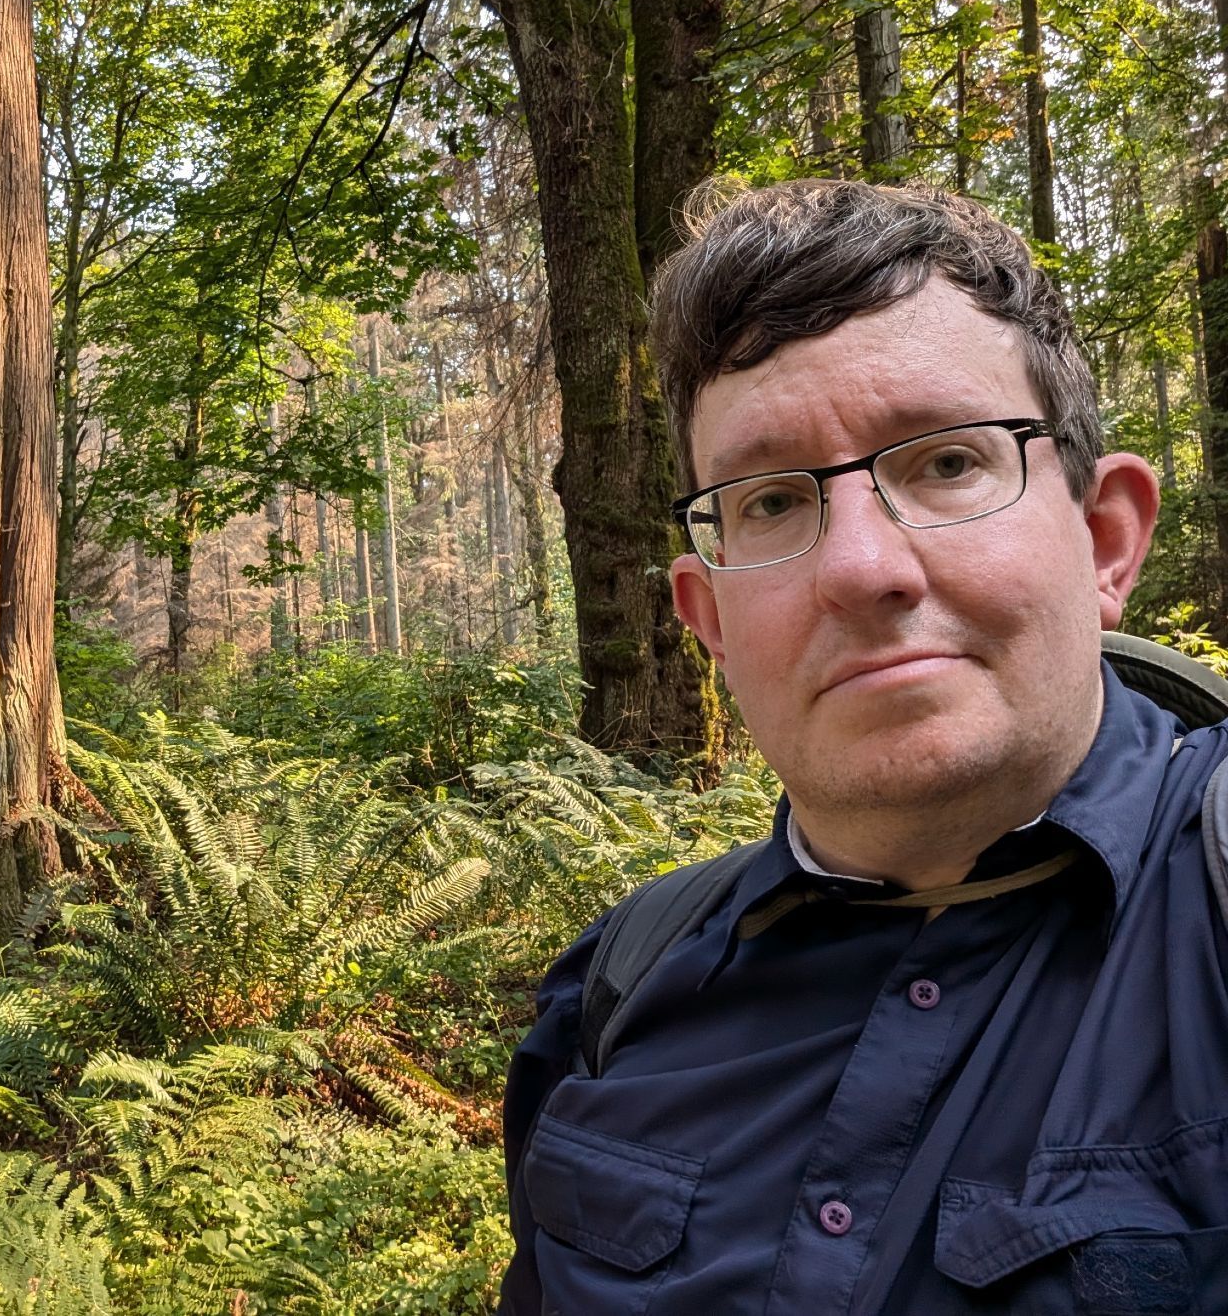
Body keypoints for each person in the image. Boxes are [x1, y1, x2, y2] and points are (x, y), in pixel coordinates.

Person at [497, 179, 1228, 1314]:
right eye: (772, 501)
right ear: (709, 623)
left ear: (1104, 543)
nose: (857, 568)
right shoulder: (613, 997)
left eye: (944, 464)